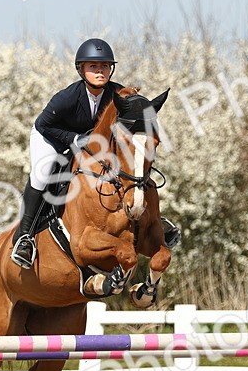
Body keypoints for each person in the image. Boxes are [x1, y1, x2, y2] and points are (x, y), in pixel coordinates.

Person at [11, 38, 179, 269]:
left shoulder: (116, 93)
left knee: (131, 165)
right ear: (81, 70)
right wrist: (74, 139)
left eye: (105, 66)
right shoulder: (67, 98)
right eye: (93, 66)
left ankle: (153, 224)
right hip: (52, 136)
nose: (100, 71)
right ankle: (25, 237)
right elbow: (44, 125)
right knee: (42, 175)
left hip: (91, 141)